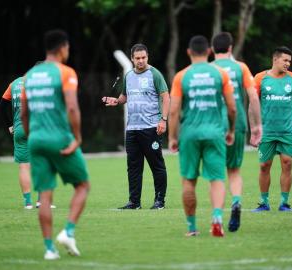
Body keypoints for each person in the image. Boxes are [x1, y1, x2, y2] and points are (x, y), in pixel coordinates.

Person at [21, 29, 90, 260]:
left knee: (45, 196)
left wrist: (32, 137)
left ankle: (49, 249)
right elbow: (72, 107)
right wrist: (77, 138)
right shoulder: (66, 72)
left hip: (36, 140)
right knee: (82, 186)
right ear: (62, 48)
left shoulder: (29, 75)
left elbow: (23, 113)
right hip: (60, 139)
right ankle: (68, 232)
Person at [168, 35, 236, 237]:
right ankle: (216, 219)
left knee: (189, 180)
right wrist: (231, 130)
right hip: (215, 132)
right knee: (216, 178)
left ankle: (192, 228)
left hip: (189, 133)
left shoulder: (181, 76)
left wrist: (172, 137)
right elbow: (232, 108)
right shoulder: (220, 73)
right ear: (209, 52)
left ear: (189, 52)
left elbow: (173, 111)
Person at [102, 44, 170, 210]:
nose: (140, 61)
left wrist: (163, 120)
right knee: (133, 167)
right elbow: (125, 96)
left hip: (151, 128)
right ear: (132, 59)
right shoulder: (128, 76)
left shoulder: (154, 74)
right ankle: (134, 202)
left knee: (157, 165)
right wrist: (116, 101)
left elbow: (166, 97)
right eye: (137, 58)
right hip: (132, 129)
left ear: (147, 57)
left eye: (143, 58)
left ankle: (159, 201)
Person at [211, 32, 262, 232]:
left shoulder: (209, 69)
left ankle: (217, 216)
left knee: (216, 174)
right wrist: (257, 126)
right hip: (237, 123)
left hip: (213, 126)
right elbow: (253, 98)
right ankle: (237, 201)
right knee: (234, 170)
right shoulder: (241, 67)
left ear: (213, 49)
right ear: (231, 48)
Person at [252, 46, 292, 212]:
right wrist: (254, 128)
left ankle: (284, 203)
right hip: (266, 131)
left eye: (290, 61)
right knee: (264, 166)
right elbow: (251, 106)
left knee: (287, 164)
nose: (288, 63)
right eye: (285, 60)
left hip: (287, 130)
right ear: (275, 59)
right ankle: (264, 203)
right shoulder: (260, 78)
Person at [0, 77, 56, 209]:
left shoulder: (14, 83)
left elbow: (2, 104)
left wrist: (9, 124)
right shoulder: (41, 83)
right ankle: (41, 201)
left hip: (19, 128)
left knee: (24, 166)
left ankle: (28, 203)